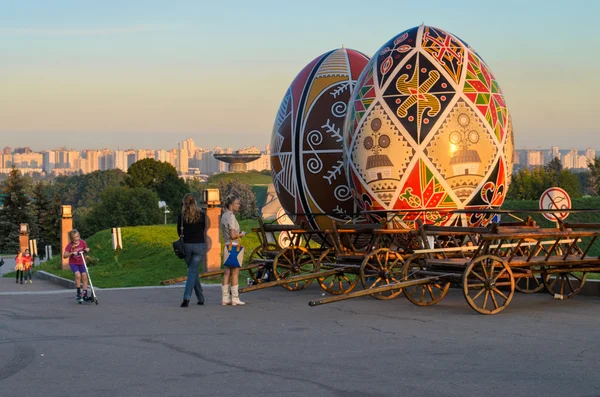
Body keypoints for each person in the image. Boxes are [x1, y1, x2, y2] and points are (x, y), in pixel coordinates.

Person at [177, 193, 206, 308]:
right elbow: (204, 229)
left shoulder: (181, 216)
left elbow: (179, 232)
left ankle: (186, 298)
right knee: (193, 272)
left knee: (192, 271)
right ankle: (201, 298)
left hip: (187, 246)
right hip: (199, 245)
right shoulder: (202, 215)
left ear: (184, 203)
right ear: (195, 202)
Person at [221, 195, 246, 306]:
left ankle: (225, 298)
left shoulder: (224, 215)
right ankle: (235, 298)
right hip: (234, 246)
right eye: (237, 203)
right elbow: (232, 235)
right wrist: (241, 234)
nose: (238, 205)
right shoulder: (231, 216)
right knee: (235, 272)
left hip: (227, 245)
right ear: (231, 205)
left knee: (227, 272)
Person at [63, 229, 90, 303]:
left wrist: (87, 250)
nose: (77, 239)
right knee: (78, 275)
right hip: (73, 263)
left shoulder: (82, 242)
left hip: (81, 262)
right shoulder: (70, 245)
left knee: (84, 275)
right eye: (75, 238)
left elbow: (86, 249)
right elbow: (64, 255)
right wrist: (71, 253)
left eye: (77, 237)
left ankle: (85, 293)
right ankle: (78, 293)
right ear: (72, 238)